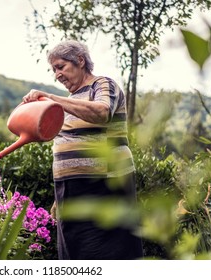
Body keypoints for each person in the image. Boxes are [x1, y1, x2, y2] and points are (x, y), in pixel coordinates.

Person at [22, 40, 143, 260]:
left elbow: (102, 112)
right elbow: (67, 143)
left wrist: (50, 98)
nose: (57, 74)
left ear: (80, 60)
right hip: (71, 190)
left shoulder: (103, 85)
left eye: (60, 67)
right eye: (54, 70)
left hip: (106, 185)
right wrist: (61, 196)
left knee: (110, 254)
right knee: (74, 256)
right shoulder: (69, 102)